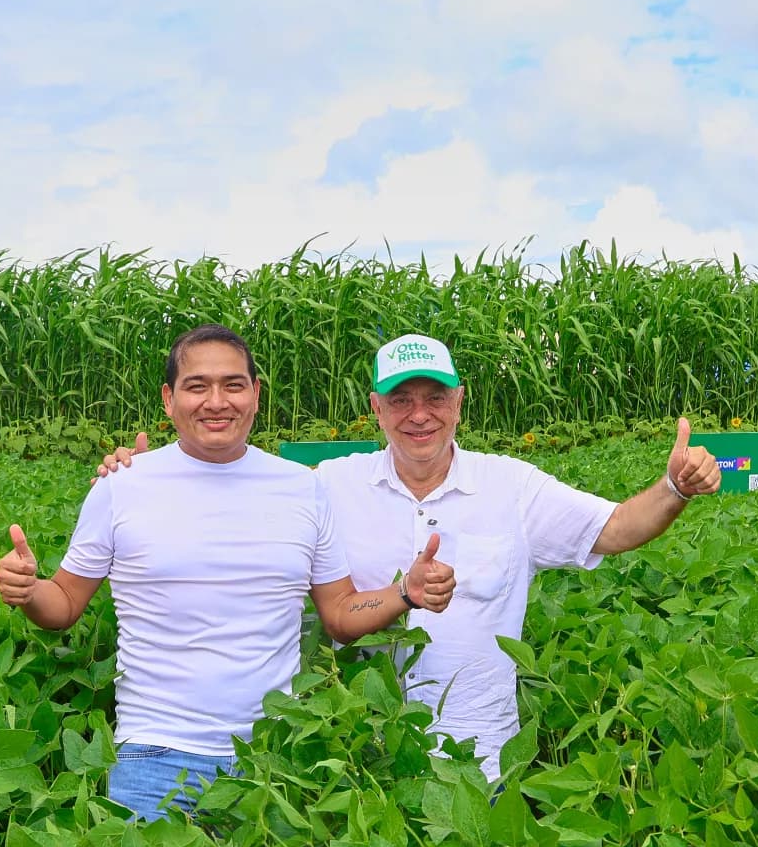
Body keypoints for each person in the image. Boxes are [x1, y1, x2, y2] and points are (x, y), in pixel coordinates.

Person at [98, 332, 720, 779]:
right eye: (400, 399)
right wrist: (143, 471)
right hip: (362, 755)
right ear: (376, 407)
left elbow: (613, 527)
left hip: (482, 762)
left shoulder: (512, 486)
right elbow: (230, 477)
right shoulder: (327, 485)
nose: (418, 415)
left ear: (459, 401)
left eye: (434, 397)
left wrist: (673, 489)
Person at [0, 325, 455, 820]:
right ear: (169, 399)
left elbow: (340, 614)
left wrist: (404, 592)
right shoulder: (123, 486)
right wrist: (28, 590)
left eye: (234, 385)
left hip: (273, 755)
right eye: (197, 386)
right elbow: (62, 604)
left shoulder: (302, 488)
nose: (217, 401)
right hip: (154, 755)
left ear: (256, 395)